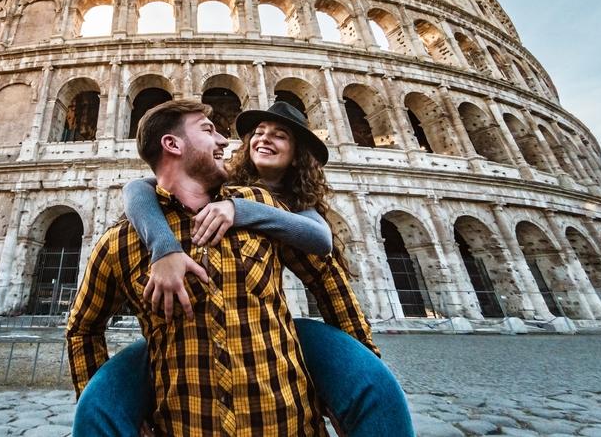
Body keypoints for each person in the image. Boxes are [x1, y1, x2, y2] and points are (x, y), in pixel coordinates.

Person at [74, 100, 414, 437]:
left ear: (297, 157)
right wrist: (162, 245)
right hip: (186, 415)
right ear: (172, 144)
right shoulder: (123, 239)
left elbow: (325, 262)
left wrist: (353, 380)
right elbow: (139, 188)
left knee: (313, 339)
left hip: (287, 415)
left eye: (280, 136)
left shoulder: (269, 204)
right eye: (210, 130)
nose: (227, 140)